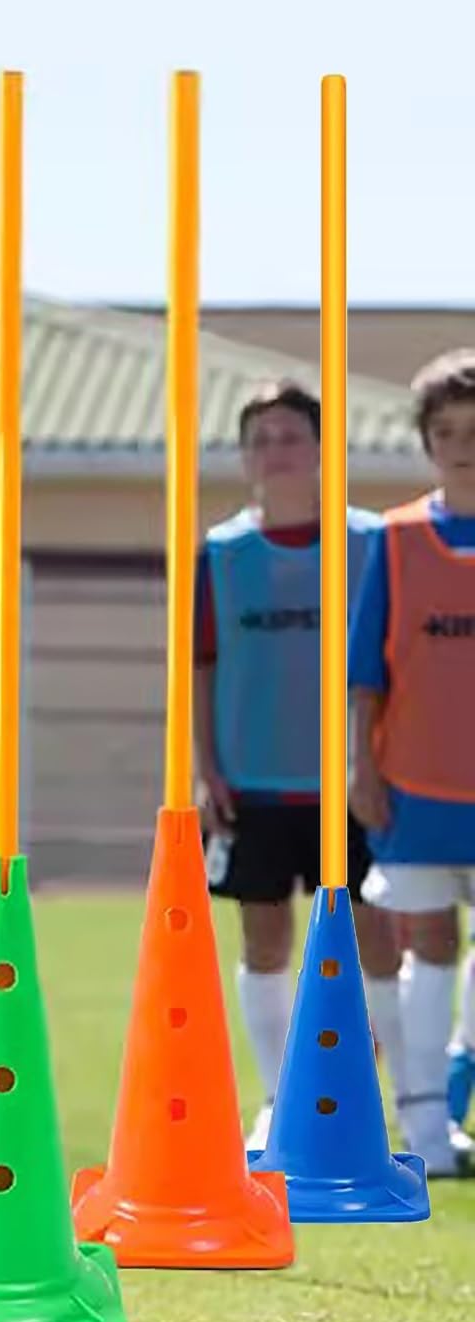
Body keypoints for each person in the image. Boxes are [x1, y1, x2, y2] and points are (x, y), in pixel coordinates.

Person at [196, 380, 399, 1151]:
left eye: (290, 436)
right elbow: (204, 666)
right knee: (266, 939)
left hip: (353, 779)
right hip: (254, 780)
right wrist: (204, 764)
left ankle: (392, 1106)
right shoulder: (221, 552)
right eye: (260, 439)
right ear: (245, 457)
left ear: (321, 449)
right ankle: (282, 1102)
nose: (275, 451)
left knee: (375, 938)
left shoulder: (371, 543)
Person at [349, 349, 475, 1178]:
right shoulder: (394, 540)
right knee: (427, 942)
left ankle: (455, 1093)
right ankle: (425, 1129)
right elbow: (365, 674)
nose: (463, 444)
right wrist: (362, 768)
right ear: (427, 442)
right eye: (447, 431)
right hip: (417, 785)